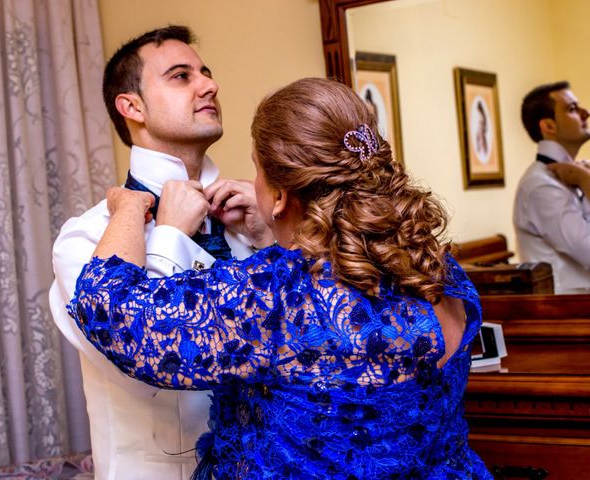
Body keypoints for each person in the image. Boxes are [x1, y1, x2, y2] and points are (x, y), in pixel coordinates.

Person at [67, 77, 492, 479]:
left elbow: (106, 306)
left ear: (282, 194)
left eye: (258, 169)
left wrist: (126, 208)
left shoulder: (280, 292)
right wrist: (271, 231)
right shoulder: (434, 264)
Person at [49, 26, 272, 480]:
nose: (209, 85)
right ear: (132, 107)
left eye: (205, 73)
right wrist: (170, 235)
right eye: (180, 76)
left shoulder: (255, 223)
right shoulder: (87, 240)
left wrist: (271, 241)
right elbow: (140, 355)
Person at [513, 81, 590, 293]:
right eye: (573, 109)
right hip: (570, 315)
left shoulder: (576, 174)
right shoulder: (540, 186)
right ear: (549, 126)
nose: (586, 113)